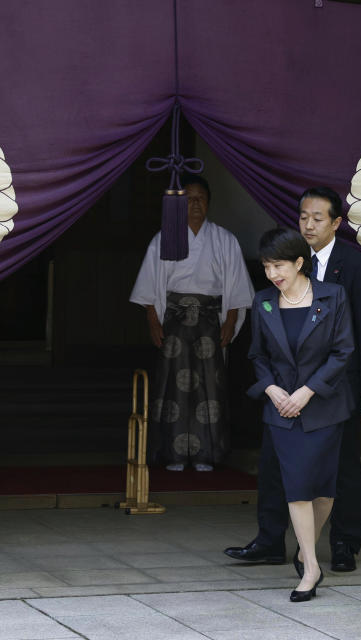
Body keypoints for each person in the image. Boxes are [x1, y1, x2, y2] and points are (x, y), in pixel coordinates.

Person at [225, 187, 361, 573]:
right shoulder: (277, 273)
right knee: (275, 466)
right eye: (303, 217)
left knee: (338, 469)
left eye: (318, 218)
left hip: (334, 390)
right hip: (283, 393)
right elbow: (260, 348)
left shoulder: (353, 265)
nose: (309, 224)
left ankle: (344, 542)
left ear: (336, 223)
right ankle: (269, 540)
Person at [246, 227, 353, 601]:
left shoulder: (333, 296)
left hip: (323, 408)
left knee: (324, 491)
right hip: (281, 411)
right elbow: (257, 356)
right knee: (297, 489)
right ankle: (310, 567)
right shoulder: (263, 303)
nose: (273, 274)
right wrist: (274, 391)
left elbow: (342, 352)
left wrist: (306, 393)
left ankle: (303, 548)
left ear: (298, 262)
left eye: (279, 266)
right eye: (266, 267)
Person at [129, 174, 254, 471]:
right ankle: (172, 453)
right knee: (172, 384)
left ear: (209, 203)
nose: (196, 204)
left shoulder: (224, 239)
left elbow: (236, 286)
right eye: (190, 199)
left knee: (210, 385)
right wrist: (153, 320)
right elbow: (150, 284)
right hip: (174, 319)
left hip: (211, 320)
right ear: (180, 204)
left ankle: (206, 453)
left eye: (201, 198)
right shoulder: (164, 238)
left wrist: (230, 320)